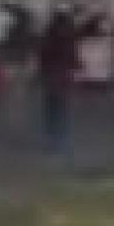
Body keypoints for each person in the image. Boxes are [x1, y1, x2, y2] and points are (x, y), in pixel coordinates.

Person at [34, 11, 78, 151]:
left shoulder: (48, 38)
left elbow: (41, 58)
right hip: (63, 78)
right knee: (62, 110)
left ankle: (51, 139)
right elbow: (73, 60)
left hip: (50, 78)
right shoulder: (69, 39)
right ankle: (61, 140)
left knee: (51, 110)